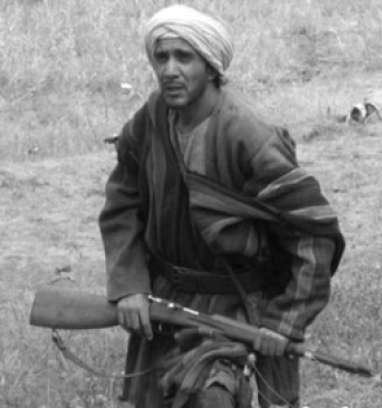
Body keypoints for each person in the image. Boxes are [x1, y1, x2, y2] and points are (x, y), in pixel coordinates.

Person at [98, 5, 344, 408]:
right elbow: (122, 201)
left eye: (184, 57)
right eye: (162, 57)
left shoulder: (249, 134)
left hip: (238, 306)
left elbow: (313, 233)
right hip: (167, 302)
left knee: (212, 397)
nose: (170, 70)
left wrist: (285, 322)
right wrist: (129, 286)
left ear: (211, 66)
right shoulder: (152, 118)